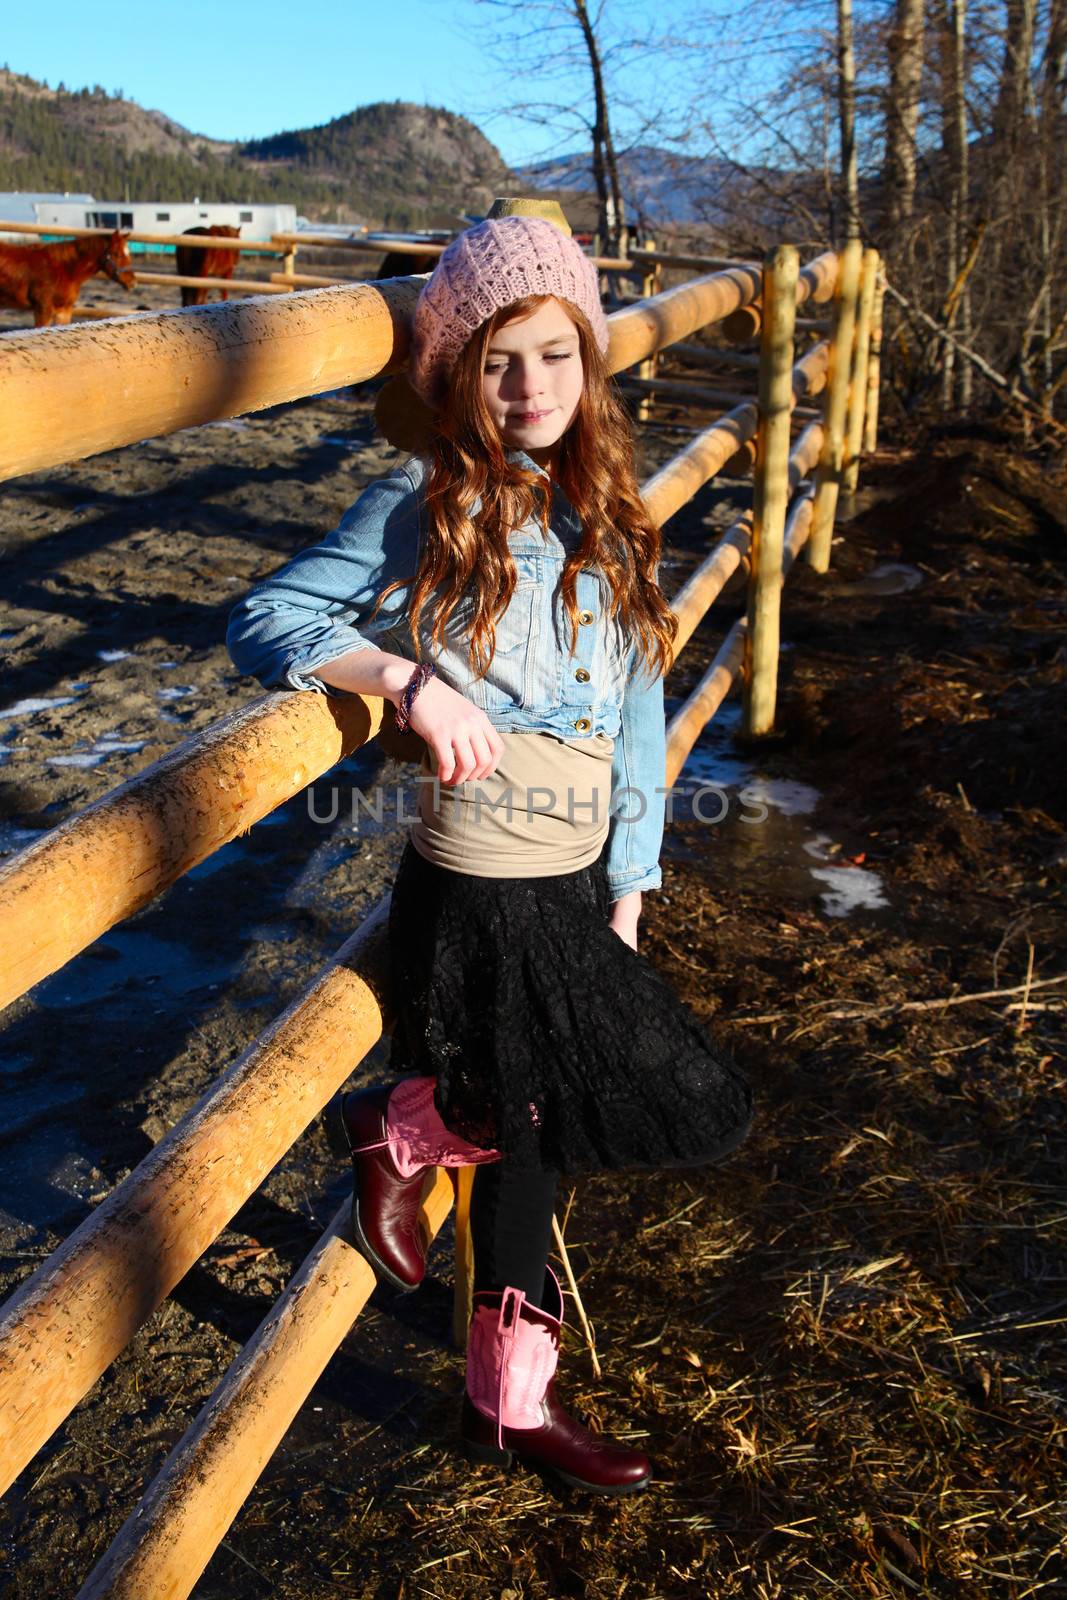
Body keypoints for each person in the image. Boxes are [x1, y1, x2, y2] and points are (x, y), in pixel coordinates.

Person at [226, 214, 755, 1497]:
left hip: (573, 879)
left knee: (568, 1125)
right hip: (474, 883)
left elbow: (635, 712)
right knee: (572, 1124)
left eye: (555, 357)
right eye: (498, 361)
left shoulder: (609, 518)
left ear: (588, 361)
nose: (529, 388)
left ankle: (408, 1132)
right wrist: (409, 683)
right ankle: (507, 1394)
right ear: (457, 373)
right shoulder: (422, 506)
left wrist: (631, 879)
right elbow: (265, 612)